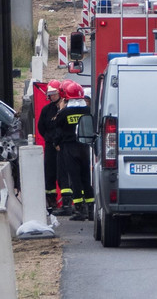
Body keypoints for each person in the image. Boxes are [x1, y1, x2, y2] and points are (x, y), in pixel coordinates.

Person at [55, 82, 94, 221]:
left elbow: (57, 131)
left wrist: (56, 144)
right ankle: (91, 209)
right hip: (84, 147)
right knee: (86, 178)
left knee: (75, 179)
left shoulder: (64, 113)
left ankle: (79, 210)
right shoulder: (88, 111)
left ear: (67, 97)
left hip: (69, 148)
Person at [37, 80, 64, 215]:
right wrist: (50, 139)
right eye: (50, 94)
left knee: (64, 173)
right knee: (50, 172)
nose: (52, 96)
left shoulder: (65, 109)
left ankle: (68, 200)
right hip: (50, 146)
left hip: (63, 146)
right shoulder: (46, 110)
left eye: (54, 94)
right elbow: (41, 127)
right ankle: (51, 199)